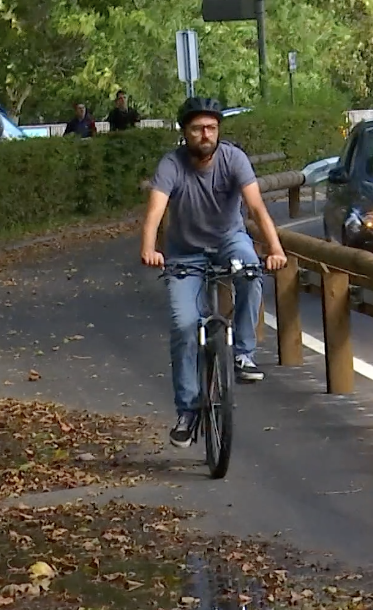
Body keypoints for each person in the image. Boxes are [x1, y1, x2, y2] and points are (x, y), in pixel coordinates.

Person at [139, 96, 289, 449]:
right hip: (184, 253)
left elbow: (255, 206)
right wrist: (149, 248)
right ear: (185, 133)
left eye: (211, 128)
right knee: (184, 326)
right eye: (197, 129)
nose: (205, 134)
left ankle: (243, 353)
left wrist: (276, 248)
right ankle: (187, 412)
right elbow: (155, 211)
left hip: (228, 240)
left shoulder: (233, 159)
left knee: (250, 270)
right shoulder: (171, 165)